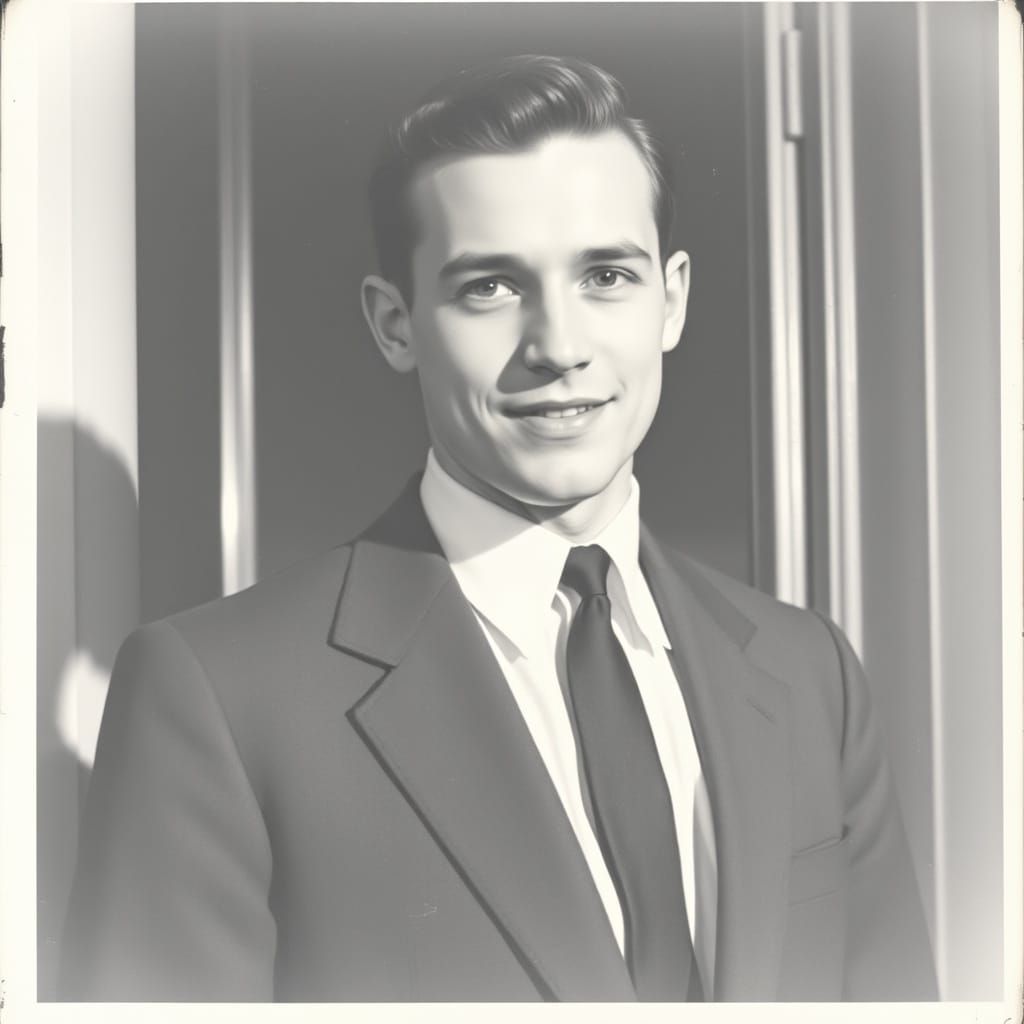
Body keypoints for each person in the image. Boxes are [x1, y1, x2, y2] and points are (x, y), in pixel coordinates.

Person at [59, 54, 937, 1002]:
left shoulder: (810, 674)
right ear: (396, 324)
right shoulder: (219, 699)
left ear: (671, 299)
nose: (559, 346)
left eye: (606, 274)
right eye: (490, 287)